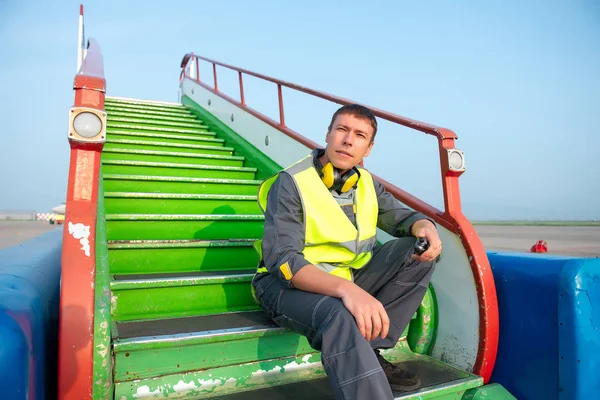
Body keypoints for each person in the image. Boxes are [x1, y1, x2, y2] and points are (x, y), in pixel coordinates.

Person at [252, 104, 442, 400]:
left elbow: (402, 217)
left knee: (419, 253)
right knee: (337, 314)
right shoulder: (291, 183)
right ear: (328, 134)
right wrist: (347, 291)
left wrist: (423, 225)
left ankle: (368, 350)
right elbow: (284, 262)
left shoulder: (367, 184)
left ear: (369, 147)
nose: (348, 140)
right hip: (285, 286)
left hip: (346, 278)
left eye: (359, 135)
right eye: (341, 129)